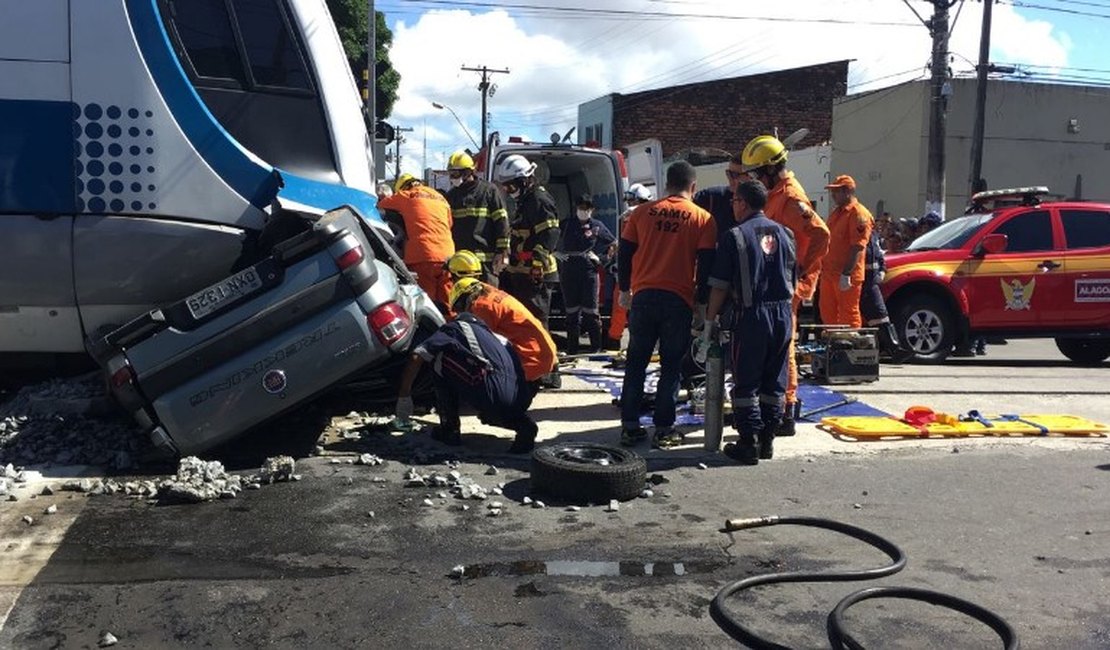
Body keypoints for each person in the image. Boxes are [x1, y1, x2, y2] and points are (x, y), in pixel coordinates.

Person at [617, 161, 716, 448]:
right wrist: (701, 302)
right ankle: (663, 428)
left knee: (636, 362)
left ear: (666, 185)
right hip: (678, 300)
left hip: (644, 297)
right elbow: (707, 264)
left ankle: (630, 426)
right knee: (672, 366)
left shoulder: (642, 213)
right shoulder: (703, 218)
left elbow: (625, 253)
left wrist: (625, 289)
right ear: (693, 187)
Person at [739, 135, 829, 437]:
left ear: (768, 170)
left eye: (755, 174)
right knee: (775, 344)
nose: (753, 180)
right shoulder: (777, 194)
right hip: (777, 280)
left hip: (787, 284)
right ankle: (777, 406)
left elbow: (820, 234)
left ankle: (786, 410)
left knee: (783, 347)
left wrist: (798, 271)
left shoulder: (790, 198)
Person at [704, 180, 796, 465]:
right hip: (783, 314)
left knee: (746, 382)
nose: (732, 206)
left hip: (752, 316)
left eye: (734, 201)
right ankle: (767, 440)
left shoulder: (735, 236)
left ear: (743, 203)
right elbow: (794, 274)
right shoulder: (786, 233)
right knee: (774, 380)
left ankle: (748, 442)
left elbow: (719, 285)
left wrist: (709, 321)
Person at [394, 312, 538, 454]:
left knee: (437, 359)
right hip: (520, 399)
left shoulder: (455, 328)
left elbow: (417, 354)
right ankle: (522, 425)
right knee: (493, 410)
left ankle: (449, 429)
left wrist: (404, 395)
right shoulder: (498, 339)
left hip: (495, 396)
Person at [449, 277, 558, 391]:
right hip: (543, 355)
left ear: (467, 297)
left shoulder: (482, 307)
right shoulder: (492, 295)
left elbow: (480, 344)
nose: (460, 312)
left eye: (459, 307)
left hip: (532, 362)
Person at [496, 154, 560, 329]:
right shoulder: (525, 200)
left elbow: (550, 233)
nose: (508, 191)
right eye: (505, 187)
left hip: (535, 273)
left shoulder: (539, 200)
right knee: (519, 318)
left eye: (511, 186)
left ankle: (541, 355)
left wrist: (538, 263)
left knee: (535, 320)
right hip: (521, 270)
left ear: (524, 180)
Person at [377, 173, 454, 305]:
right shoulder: (441, 198)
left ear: (403, 187)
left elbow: (380, 205)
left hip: (423, 254)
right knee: (447, 300)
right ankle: (451, 324)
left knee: (426, 301)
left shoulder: (405, 195)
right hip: (448, 254)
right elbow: (449, 223)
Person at [557, 194, 615, 354]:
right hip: (569, 270)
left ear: (592, 210)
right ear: (576, 208)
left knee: (591, 312)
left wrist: (601, 258)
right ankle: (572, 349)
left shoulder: (597, 226)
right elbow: (551, 236)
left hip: (589, 271)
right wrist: (555, 253)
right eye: (581, 208)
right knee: (571, 312)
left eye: (587, 209)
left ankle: (595, 348)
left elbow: (613, 244)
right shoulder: (567, 224)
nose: (584, 211)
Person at [444, 151, 510, 286]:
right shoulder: (452, 196)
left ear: (468, 172)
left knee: (488, 299)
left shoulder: (489, 191)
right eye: (450, 173)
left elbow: (501, 222)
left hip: (486, 263)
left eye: (455, 173)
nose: (452, 177)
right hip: (460, 264)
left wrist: (502, 251)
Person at [818, 175, 872, 328]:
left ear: (847, 192)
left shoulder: (858, 214)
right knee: (827, 312)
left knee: (848, 313)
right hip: (829, 273)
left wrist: (846, 274)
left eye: (836, 191)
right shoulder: (837, 213)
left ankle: (850, 347)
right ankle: (834, 345)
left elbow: (857, 246)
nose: (833, 195)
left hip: (846, 275)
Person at [606, 183, 653, 350]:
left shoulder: (649, 218)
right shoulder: (629, 219)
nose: (630, 205)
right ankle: (614, 341)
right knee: (620, 308)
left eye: (632, 201)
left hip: (642, 272)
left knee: (639, 311)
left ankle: (638, 344)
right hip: (630, 270)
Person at [859, 228, 907, 359]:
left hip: (871, 281)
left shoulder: (872, 236)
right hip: (859, 281)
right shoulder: (855, 234)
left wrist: (882, 271)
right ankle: (889, 348)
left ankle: (893, 348)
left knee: (881, 315)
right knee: (872, 316)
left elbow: (879, 257)